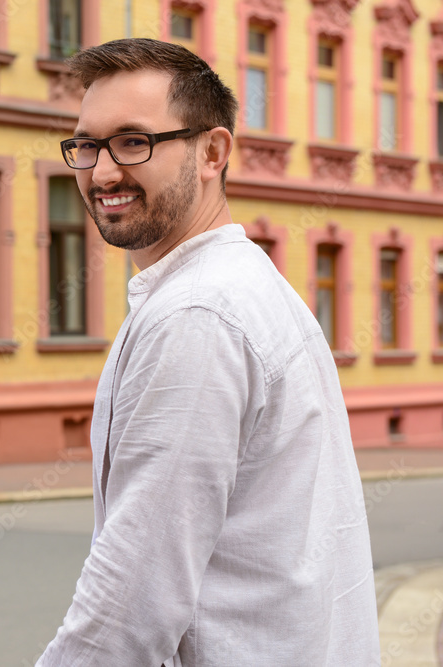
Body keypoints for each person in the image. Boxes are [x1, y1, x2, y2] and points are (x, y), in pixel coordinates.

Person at [37, 39, 380, 666]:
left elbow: (132, 597)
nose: (103, 171)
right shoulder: (248, 284)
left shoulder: (197, 316)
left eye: (134, 141)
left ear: (212, 153)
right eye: (86, 145)